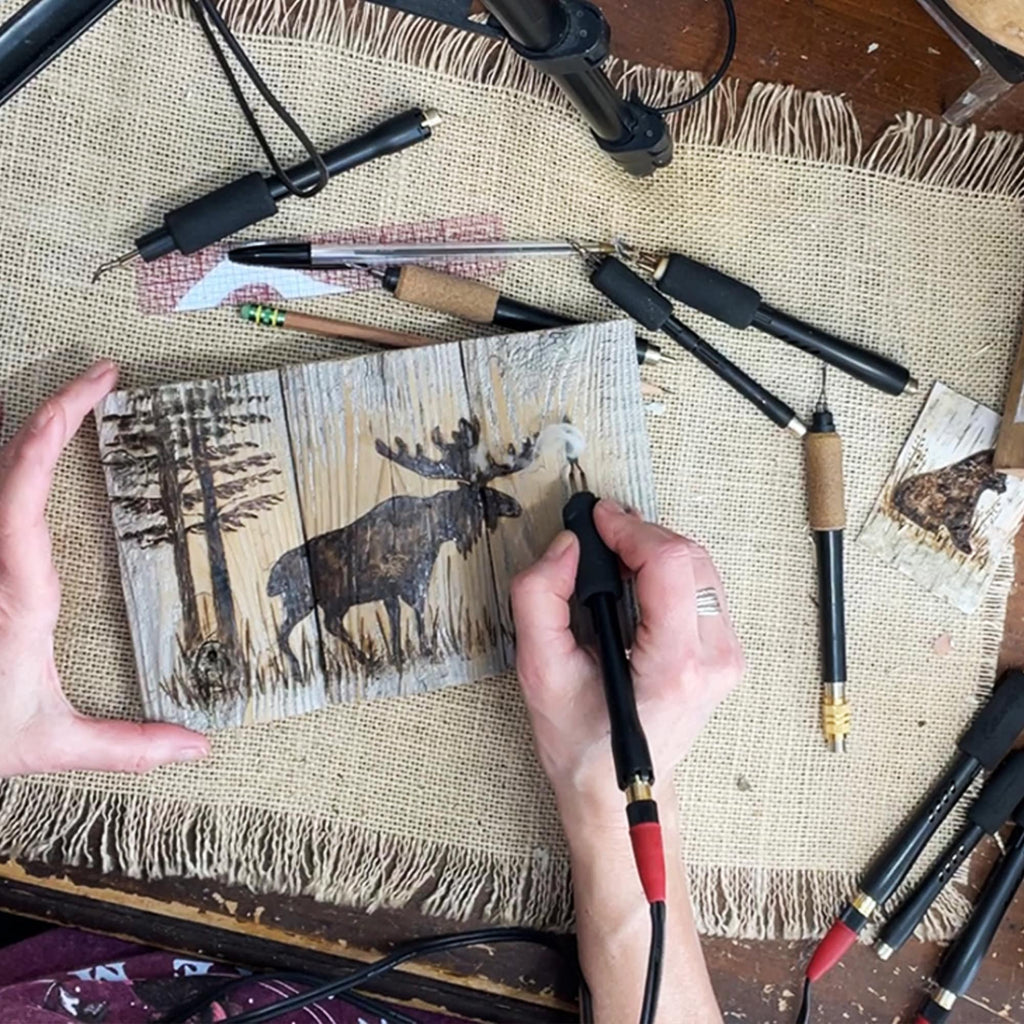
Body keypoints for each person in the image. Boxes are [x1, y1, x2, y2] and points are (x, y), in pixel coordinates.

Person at [0, 363, 744, 1023]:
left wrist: (605, 798)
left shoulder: (427, 529)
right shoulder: (390, 531)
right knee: (323, 615)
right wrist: (611, 804)